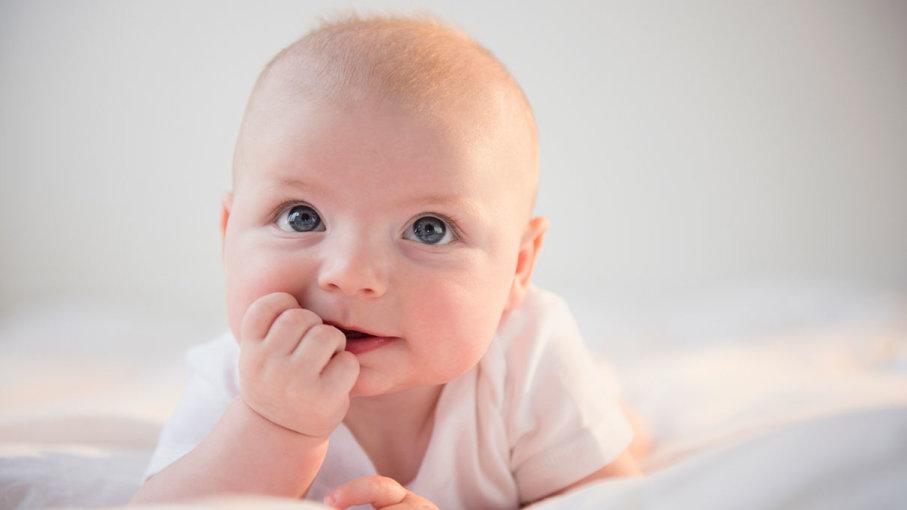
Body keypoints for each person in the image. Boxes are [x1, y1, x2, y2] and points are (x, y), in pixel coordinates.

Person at [131, 12, 647, 509]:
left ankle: (613, 417)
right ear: (228, 237)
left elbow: (614, 499)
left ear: (517, 268)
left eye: (430, 229)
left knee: (619, 435)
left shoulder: (526, 355)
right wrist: (272, 425)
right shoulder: (240, 375)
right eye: (301, 217)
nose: (350, 275)